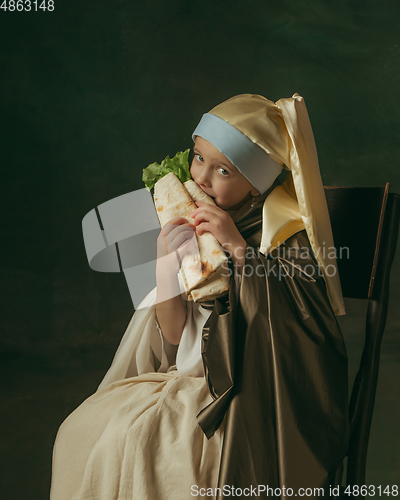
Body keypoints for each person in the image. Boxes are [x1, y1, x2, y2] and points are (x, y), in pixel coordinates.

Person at [51, 93, 349, 499]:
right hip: (181, 381)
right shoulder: (191, 223)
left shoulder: (285, 237)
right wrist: (164, 264)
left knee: (147, 447)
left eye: (224, 169)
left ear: (256, 183)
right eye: (198, 157)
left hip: (240, 400)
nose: (202, 177)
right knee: (81, 430)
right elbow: (173, 338)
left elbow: (298, 341)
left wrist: (239, 253)